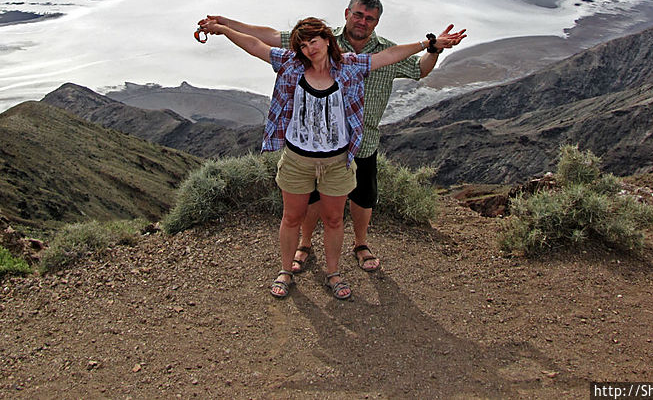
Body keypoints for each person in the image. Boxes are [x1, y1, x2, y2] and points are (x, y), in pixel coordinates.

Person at [197, 15, 465, 300]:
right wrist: (223, 29)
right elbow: (254, 44)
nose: (309, 49)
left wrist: (428, 44)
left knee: (335, 220)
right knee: (291, 218)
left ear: (327, 40)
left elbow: (389, 55)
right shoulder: (290, 64)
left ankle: (333, 273)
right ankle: (285, 271)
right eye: (303, 45)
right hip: (298, 159)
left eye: (314, 41)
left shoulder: (349, 66)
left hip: (337, 161)